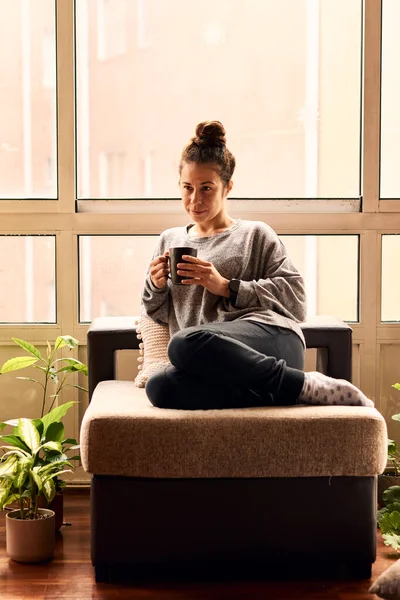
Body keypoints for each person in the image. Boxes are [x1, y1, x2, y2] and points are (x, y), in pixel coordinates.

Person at [142, 120, 374, 410]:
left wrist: (226, 287)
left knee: (182, 343)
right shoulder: (169, 239)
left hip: (272, 340)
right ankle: (288, 390)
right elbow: (156, 313)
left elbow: (297, 299)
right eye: (187, 187)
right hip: (214, 359)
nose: (194, 199)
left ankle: (308, 384)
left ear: (227, 187)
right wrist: (157, 285)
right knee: (160, 388)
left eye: (206, 188)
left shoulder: (255, 234)